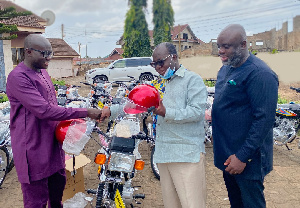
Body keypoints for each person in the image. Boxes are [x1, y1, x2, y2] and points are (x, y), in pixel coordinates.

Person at [102, 42, 208, 207]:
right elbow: (135, 103)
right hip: (164, 154)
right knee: (171, 204)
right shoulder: (158, 84)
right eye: (154, 63)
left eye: (161, 62)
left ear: (173, 57)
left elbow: (196, 113)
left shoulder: (192, 80)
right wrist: (109, 111)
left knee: (191, 203)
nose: (157, 67)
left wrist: (165, 112)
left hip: (186, 156)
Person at [6, 34, 102, 208]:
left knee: (57, 197)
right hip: (33, 151)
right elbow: (44, 110)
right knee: (37, 202)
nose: (49, 57)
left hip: (53, 147)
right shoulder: (18, 77)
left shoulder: (42, 72)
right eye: (44, 53)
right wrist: (86, 112)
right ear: (28, 52)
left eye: (50, 53)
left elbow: (54, 106)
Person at [211, 24, 279, 208]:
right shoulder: (226, 68)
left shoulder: (260, 74)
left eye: (226, 46)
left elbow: (264, 120)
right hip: (228, 156)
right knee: (236, 203)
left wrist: (242, 157)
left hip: (247, 160)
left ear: (243, 45)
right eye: (219, 46)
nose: (220, 51)